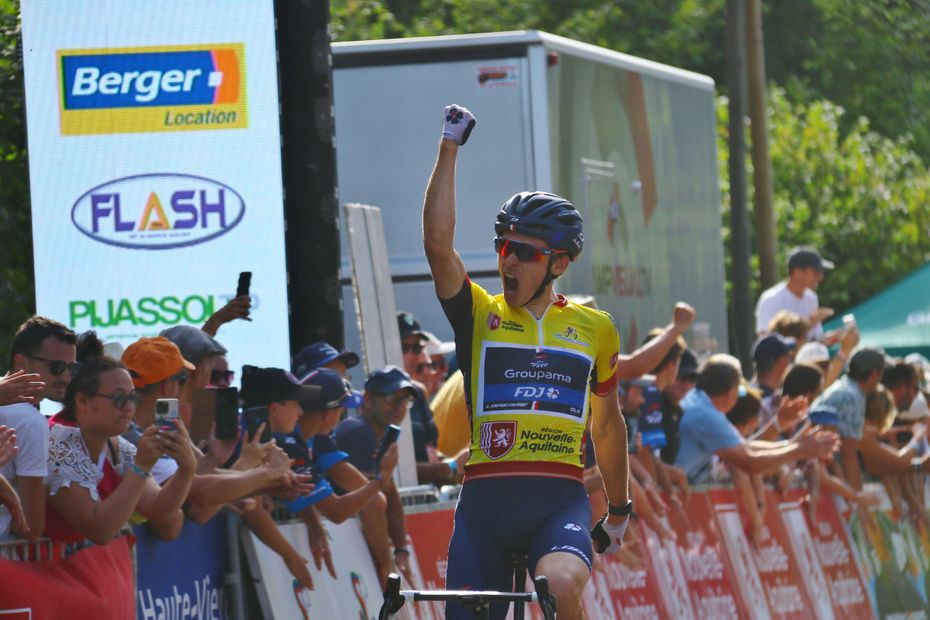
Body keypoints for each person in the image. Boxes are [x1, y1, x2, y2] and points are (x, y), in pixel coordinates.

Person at [422, 104, 630, 620]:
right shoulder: (479, 314)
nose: (508, 259)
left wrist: (620, 510)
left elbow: (607, 426)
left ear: (560, 263)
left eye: (525, 252)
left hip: (557, 500)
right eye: (503, 246)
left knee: (558, 585)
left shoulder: (595, 328)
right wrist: (449, 145)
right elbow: (437, 246)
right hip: (484, 507)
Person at [44, 333, 196, 545]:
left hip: (84, 570)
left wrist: (187, 468)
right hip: (43, 570)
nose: (129, 407)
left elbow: (158, 509)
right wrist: (141, 467)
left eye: (132, 397)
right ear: (82, 401)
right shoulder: (57, 445)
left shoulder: (117, 445)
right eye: (118, 398)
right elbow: (99, 530)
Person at [675, 354, 839, 485]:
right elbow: (750, 462)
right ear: (731, 392)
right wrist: (800, 450)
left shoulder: (698, 402)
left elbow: (745, 447)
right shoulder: (706, 415)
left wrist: (792, 443)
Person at [334, 367, 420, 587]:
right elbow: (371, 502)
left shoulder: (379, 435)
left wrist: (401, 550)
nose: (400, 407)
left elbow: (389, 493)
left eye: (406, 400)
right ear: (368, 399)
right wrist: (387, 564)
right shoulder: (358, 431)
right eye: (392, 398)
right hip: (338, 544)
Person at [1, 316, 77, 539]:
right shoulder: (30, 422)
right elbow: (32, 528)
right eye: (57, 367)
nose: (65, 377)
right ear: (22, 363)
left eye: (71, 368)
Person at [809, 347, 886, 490]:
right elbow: (848, 456)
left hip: (816, 463)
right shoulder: (852, 396)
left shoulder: (846, 388)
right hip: (815, 466)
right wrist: (859, 503)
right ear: (875, 374)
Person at [755, 247, 834, 340]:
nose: (820, 277)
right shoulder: (771, 299)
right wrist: (809, 324)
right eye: (816, 272)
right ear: (798, 272)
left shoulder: (811, 298)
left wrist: (826, 340)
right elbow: (766, 342)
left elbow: (813, 338)